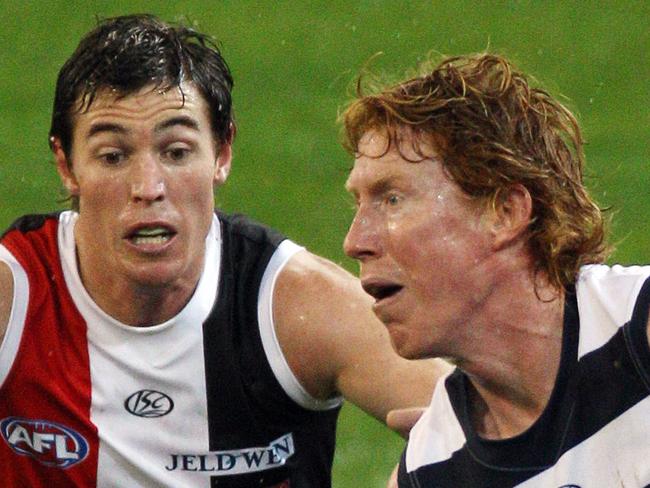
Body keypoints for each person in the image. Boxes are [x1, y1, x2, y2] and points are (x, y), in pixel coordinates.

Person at [0, 14, 447, 487]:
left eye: (176, 152)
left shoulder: (294, 309)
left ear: (222, 153)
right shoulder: (16, 298)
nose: (148, 188)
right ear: (67, 166)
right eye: (113, 156)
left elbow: (486, 425)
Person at [341, 53, 650, 487]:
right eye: (358, 204)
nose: (355, 241)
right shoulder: (433, 470)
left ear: (504, 212)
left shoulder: (636, 331)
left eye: (391, 199)